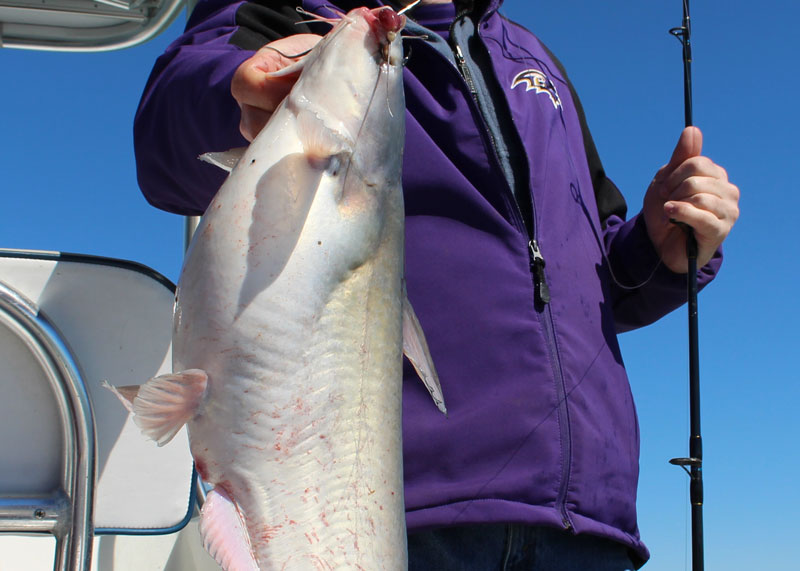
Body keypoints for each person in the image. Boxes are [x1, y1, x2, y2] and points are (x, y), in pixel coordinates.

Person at [133, 0, 740, 569]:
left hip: (589, 527)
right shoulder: (290, 12)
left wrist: (663, 250)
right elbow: (168, 134)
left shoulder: (535, 64)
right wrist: (241, 90)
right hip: (389, 515)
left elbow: (596, 282)